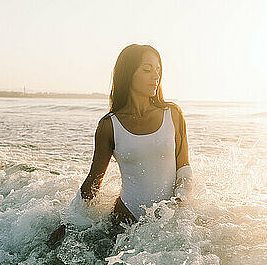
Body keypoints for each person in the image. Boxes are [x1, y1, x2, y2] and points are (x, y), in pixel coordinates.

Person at [47, 43, 193, 248]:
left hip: (169, 220)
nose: (155, 76)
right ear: (128, 73)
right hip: (124, 222)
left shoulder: (173, 114)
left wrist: (180, 202)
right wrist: (68, 222)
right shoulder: (109, 126)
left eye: (158, 70)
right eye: (147, 69)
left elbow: (184, 167)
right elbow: (94, 180)